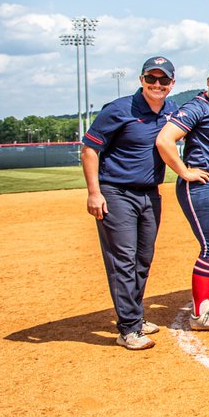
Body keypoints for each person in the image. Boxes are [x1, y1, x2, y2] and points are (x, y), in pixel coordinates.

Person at [81, 56, 177, 350]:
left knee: (142, 260)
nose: (157, 84)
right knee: (123, 260)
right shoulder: (119, 109)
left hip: (149, 193)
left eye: (163, 80)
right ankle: (128, 328)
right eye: (152, 78)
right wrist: (94, 192)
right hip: (116, 192)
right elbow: (89, 150)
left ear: (172, 84)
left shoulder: (171, 110)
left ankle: (134, 315)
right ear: (141, 80)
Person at [155, 63, 209, 331]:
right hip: (204, 184)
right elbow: (164, 140)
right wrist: (184, 171)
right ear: (208, 81)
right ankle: (200, 313)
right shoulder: (197, 106)